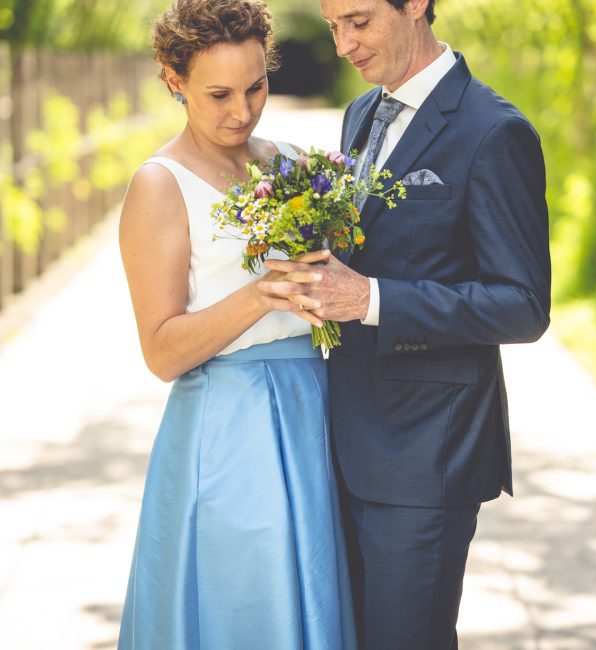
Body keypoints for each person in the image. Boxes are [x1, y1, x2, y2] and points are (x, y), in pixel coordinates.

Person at [258, 0, 552, 648]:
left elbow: (523, 304)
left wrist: (372, 299)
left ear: (416, 4)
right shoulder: (362, 113)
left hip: (428, 453)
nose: (342, 45)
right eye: (333, 25)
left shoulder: (493, 130)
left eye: (357, 21)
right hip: (342, 437)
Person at [116, 1, 356, 648]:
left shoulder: (289, 164)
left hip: (315, 413)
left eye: (256, 87)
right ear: (174, 81)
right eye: (218, 93)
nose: (242, 111)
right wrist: (262, 294)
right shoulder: (159, 186)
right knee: (241, 610)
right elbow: (162, 353)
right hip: (227, 431)